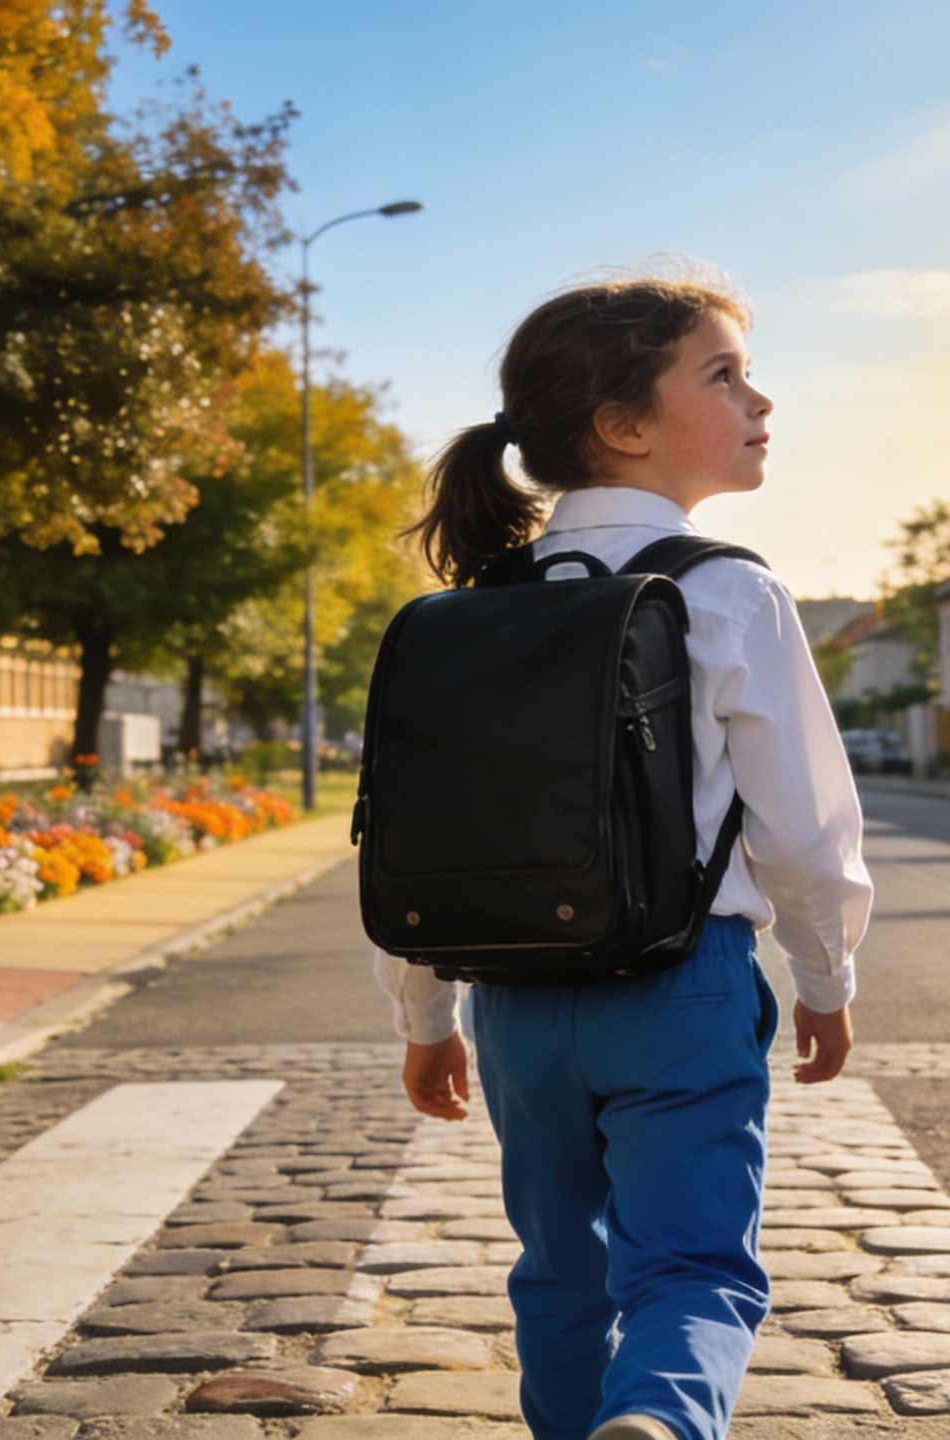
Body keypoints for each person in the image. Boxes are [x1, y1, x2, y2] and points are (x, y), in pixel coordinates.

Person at [373, 272, 874, 1440]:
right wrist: (825, 980)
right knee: (694, 1268)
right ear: (623, 426)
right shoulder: (729, 591)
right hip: (678, 983)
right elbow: (803, 831)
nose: (760, 396)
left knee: (558, 1271)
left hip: (512, 1005)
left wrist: (425, 1015)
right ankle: (656, 1421)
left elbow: (419, 831)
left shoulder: (472, 610)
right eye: (723, 373)